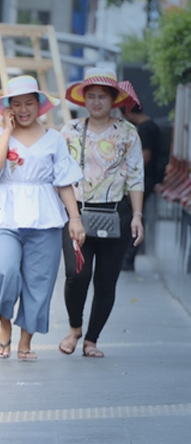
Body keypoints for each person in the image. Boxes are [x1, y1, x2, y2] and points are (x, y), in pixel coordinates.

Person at [0, 76, 85, 360]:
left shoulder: (54, 139)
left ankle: (26, 339)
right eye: (17, 104)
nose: (24, 109)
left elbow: (64, 182)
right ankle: (4, 327)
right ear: (8, 108)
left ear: (39, 105)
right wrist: (5, 132)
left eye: (29, 103)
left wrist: (74, 219)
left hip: (46, 218)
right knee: (4, 271)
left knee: (40, 279)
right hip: (5, 217)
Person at [59, 67, 145, 358]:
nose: (96, 102)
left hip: (115, 215)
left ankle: (91, 340)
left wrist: (136, 215)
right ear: (83, 100)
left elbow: (135, 176)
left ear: (113, 100)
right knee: (76, 276)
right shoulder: (70, 131)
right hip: (77, 214)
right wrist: (70, 215)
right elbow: (60, 175)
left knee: (106, 280)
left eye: (102, 97)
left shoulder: (127, 133)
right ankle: (74, 328)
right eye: (91, 96)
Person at [121, 104, 162, 271]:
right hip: (151, 178)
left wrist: (128, 172)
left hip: (145, 180)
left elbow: (144, 157)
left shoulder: (144, 129)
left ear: (128, 112)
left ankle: (129, 256)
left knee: (134, 216)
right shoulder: (152, 126)